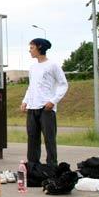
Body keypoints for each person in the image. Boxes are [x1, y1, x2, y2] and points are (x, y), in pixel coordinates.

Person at [21, 38, 68, 167]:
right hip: (32, 107)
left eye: (32, 48)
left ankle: (52, 166)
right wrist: (25, 101)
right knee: (32, 138)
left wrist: (53, 101)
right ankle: (33, 165)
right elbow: (31, 87)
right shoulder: (33, 67)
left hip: (46, 108)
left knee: (49, 139)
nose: (29, 50)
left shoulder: (52, 65)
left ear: (39, 47)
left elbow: (63, 84)